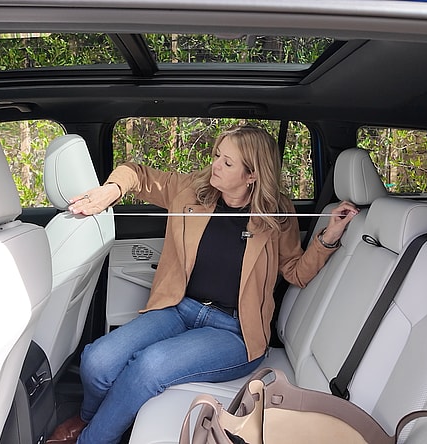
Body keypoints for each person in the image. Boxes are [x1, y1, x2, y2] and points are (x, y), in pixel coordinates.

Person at [47, 125, 358, 444]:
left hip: (234, 332)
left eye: (227, 163)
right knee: (97, 360)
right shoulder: (192, 190)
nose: (215, 166)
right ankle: (87, 419)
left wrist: (328, 236)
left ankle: (92, 439)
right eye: (216, 156)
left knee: (149, 367)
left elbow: (295, 272)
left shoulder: (276, 214)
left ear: (251, 175)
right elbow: (136, 174)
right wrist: (110, 190)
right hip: (178, 309)